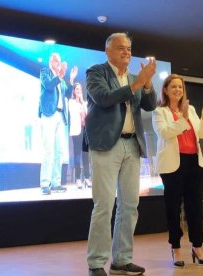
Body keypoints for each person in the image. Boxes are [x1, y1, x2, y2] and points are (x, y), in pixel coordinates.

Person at [85, 33, 157, 276]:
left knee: (129, 206)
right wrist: (137, 84)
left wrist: (147, 84)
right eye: (121, 48)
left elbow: (150, 105)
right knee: (104, 205)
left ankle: (121, 259)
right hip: (106, 145)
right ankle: (96, 263)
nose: (127, 52)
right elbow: (104, 99)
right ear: (108, 51)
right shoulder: (96, 72)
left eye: (129, 49)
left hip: (131, 145)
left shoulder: (136, 78)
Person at [152, 74, 203, 267]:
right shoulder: (159, 111)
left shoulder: (192, 109)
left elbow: (202, 134)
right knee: (173, 208)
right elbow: (165, 132)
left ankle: (197, 246)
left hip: (194, 162)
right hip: (172, 165)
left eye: (180, 87)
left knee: (194, 206)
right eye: (174, 87)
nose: (178, 90)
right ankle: (176, 248)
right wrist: (183, 118)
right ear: (165, 89)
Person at [39, 53, 78, 195]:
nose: (59, 64)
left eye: (60, 62)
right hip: (49, 113)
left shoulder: (60, 80)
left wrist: (71, 80)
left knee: (59, 151)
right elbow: (49, 86)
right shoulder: (45, 72)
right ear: (51, 62)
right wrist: (60, 75)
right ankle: (45, 183)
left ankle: (56, 183)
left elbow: (67, 95)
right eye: (57, 62)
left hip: (61, 116)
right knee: (48, 149)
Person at [68, 82, 91, 189]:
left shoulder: (84, 103)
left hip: (85, 131)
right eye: (76, 89)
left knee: (86, 155)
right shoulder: (71, 102)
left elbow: (87, 114)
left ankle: (87, 178)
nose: (78, 90)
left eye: (80, 89)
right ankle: (78, 179)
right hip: (76, 131)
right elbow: (74, 112)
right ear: (73, 91)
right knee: (77, 155)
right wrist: (79, 103)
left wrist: (82, 101)